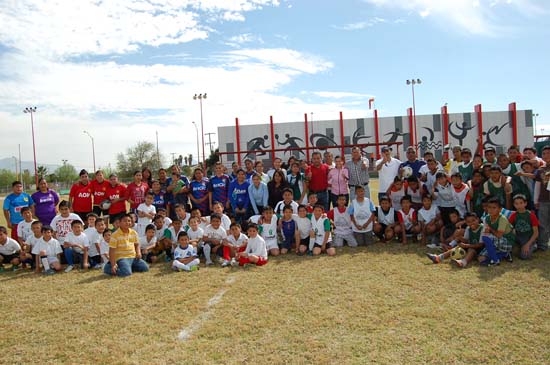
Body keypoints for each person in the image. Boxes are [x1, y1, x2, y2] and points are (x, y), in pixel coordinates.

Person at [478, 197, 514, 266]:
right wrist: (487, 231)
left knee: (485, 238)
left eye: (494, 208)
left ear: (500, 209)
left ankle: (495, 260)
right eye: (489, 207)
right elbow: (486, 232)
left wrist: (490, 229)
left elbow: (499, 235)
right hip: (494, 241)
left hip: (507, 241)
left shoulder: (502, 219)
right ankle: (504, 254)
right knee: (481, 258)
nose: (491, 210)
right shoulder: (487, 218)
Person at [508, 194, 539, 260]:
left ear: (525, 203)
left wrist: (527, 245)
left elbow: (536, 233)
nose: (519, 205)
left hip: (528, 239)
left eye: (521, 203)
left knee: (525, 257)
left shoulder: (531, 215)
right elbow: (508, 228)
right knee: (512, 252)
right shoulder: (513, 215)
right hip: (518, 238)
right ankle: (520, 248)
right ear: (514, 205)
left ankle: (533, 246)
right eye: (516, 204)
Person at [534, 145, 550, 251]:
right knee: (543, 224)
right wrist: (535, 200)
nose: (546, 155)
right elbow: (537, 186)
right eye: (544, 153)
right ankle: (543, 245)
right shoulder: (540, 170)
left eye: (548, 153)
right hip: (544, 200)